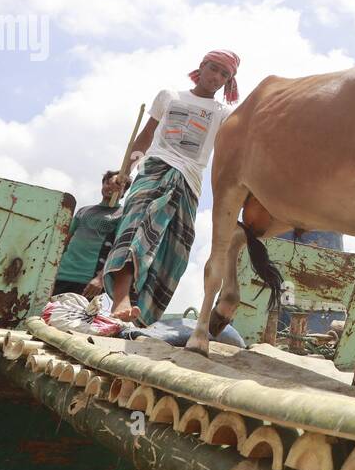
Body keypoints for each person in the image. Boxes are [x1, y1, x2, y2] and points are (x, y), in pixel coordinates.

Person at [104, 50, 240, 324]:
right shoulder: (170, 96)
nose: (217, 77)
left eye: (225, 75)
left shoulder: (224, 114)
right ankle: (120, 301)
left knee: (171, 251)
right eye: (213, 69)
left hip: (189, 182)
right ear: (201, 67)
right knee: (138, 227)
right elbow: (143, 139)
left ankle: (141, 316)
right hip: (155, 169)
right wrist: (126, 171)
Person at [54, 171, 125, 296]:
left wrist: (100, 278)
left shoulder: (122, 214)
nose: (111, 187)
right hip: (61, 274)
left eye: (117, 185)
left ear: (123, 191)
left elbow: (119, 249)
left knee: (79, 315)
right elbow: (64, 242)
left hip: (89, 280)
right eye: (108, 183)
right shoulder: (84, 210)